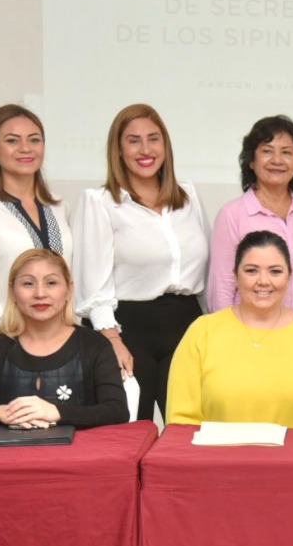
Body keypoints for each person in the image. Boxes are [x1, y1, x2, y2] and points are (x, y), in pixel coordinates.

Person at [72, 103, 209, 422]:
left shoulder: (189, 196)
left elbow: (206, 274)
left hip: (187, 327)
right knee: (132, 431)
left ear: (165, 145)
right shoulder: (100, 202)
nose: (145, 150)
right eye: (133, 141)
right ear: (118, 150)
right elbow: (93, 285)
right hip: (128, 329)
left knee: (191, 432)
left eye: (153, 138)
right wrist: (112, 341)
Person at [169, 231, 293, 428]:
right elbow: (182, 422)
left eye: (275, 271)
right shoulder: (202, 332)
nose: (263, 281)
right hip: (216, 449)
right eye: (251, 271)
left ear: (290, 277)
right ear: (235, 276)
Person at [0, 250, 129, 429]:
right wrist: (0, 412)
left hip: (78, 447)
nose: (40, 293)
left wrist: (57, 412)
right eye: (28, 284)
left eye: (51, 283)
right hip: (8, 447)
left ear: (69, 289)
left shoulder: (94, 344)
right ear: (12, 291)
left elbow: (117, 410)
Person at [0, 104, 72, 359]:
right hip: (1, 347)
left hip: (59, 347)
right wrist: (16, 345)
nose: (25, 148)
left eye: (34, 140)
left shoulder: (58, 206)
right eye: (12, 140)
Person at [206, 115, 293, 327]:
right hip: (251, 336)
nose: (277, 160)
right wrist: (229, 337)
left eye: (286, 152)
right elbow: (221, 290)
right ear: (251, 161)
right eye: (267, 151)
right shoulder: (232, 214)